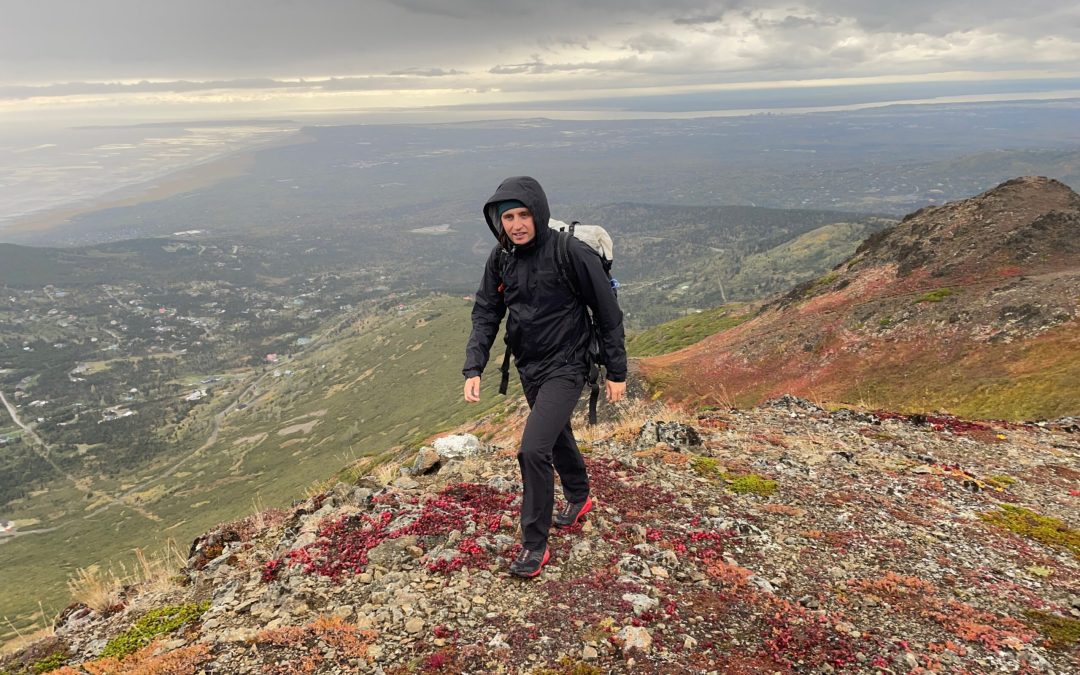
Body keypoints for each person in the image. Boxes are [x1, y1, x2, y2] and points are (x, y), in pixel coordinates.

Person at [463, 176, 627, 578]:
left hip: (568, 364)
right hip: (528, 364)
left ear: (539, 213)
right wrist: (474, 365)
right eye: (507, 217)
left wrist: (616, 370)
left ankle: (534, 545)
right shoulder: (501, 258)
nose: (516, 224)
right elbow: (487, 311)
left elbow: (608, 312)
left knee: (532, 449)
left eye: (523, 215)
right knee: (553, 434)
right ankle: (579, 495)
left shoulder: (570, 252)